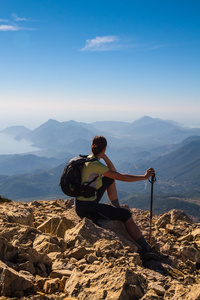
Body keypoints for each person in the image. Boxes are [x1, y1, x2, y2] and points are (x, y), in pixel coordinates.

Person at [75, 135, 167, 262]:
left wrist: (103, 155)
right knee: (126, 215)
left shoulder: (88, 160)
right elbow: (121, 176)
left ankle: (116, 208)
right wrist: (144, 177)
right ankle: (147, 249)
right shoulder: (96, 165)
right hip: (87, 208)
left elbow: (112, 173)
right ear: (105, 148)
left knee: (109, 178)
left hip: (82, 202)